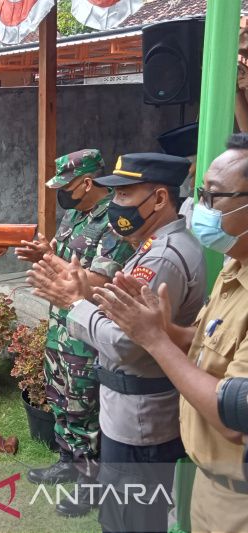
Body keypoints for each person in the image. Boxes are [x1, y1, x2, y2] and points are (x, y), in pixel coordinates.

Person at [28, 152, 206, 533]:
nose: (117, 205)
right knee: (124, 512)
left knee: (132, 518)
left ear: (159, 199)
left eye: (125, 195)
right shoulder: (151, 246)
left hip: (141, 414)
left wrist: (74, 304)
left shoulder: (163, 257)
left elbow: (130, 343)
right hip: (129, 409)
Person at [93, 135, 248, 533]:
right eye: (200, 193)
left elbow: (236, 413)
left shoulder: (167, 253)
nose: (200, 208)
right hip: (211, 486)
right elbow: (206, 341)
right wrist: (170, 331)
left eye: (214, 197)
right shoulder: (235, 269)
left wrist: (154, 338)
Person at [15, 149, 133, 517]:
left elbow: (96, 280)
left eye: (65, 186)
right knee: (61, 398)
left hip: (87, 331)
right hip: (60, 328)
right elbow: (65, 256)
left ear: (86, 183)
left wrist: (52, 263)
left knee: (84, 405)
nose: (60, 194)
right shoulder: (73, 214)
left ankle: (90, 484)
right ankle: (67, 461)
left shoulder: (114, 221)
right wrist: (44, 253)